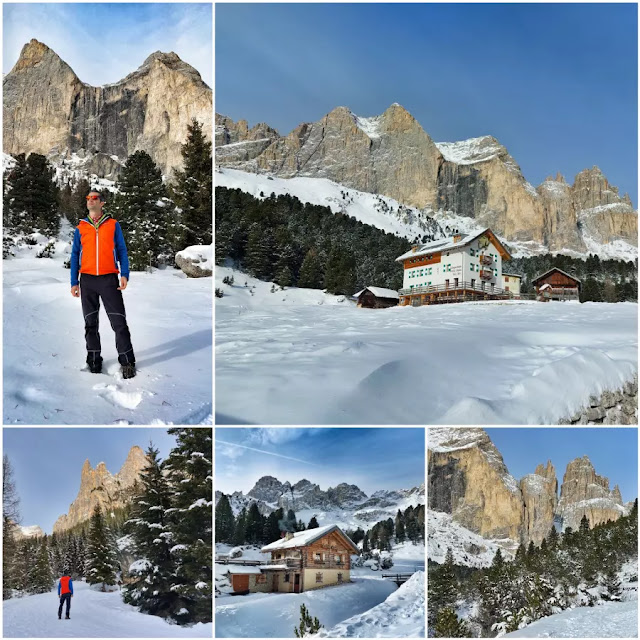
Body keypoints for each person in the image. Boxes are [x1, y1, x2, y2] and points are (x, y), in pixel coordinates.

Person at [70, 190, 136, 379]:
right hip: (88, 280)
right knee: (90, 324)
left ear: (102, 203)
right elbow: (75, 255)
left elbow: (122, 250)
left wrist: (124, 274)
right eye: (88, 198)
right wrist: (74, 282)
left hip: (109, 279)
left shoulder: (113, 225)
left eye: (95, 198)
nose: (90, 200)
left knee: (119, 323)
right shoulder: (80, 227)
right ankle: (93, 360)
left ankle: (127, 361)